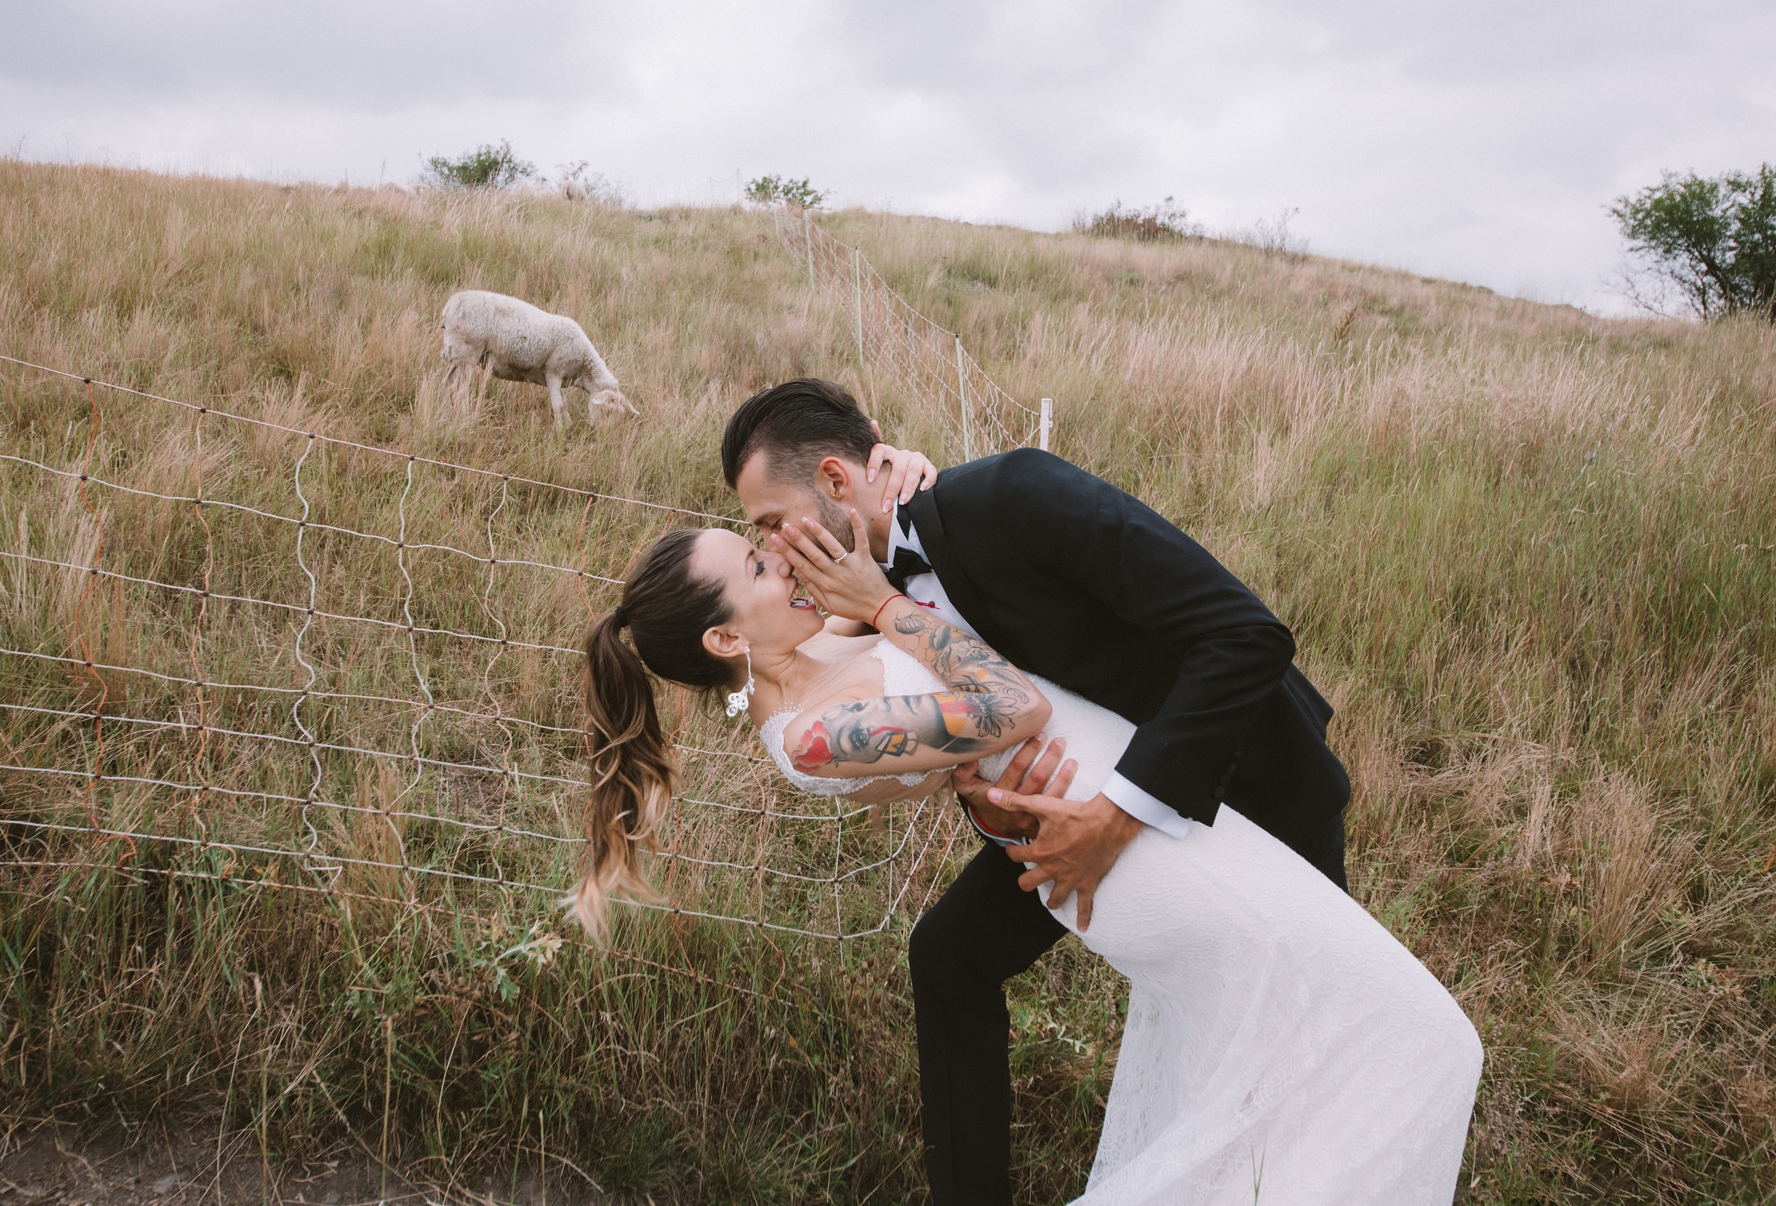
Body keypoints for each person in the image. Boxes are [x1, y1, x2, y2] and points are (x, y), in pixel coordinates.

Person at [570, 385, 1483, 1202]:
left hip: (1224, 782)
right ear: (728, 640)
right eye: (761, 551)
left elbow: (1229, 637)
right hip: (1102, 838)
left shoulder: (902, 567)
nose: (781, 550)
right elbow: (989, 705)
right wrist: (973, 770)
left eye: (769, 527)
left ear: (845, 481)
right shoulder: (818, 698)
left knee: (1318, 1046)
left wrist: (905, 517)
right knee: (1358, 1043)